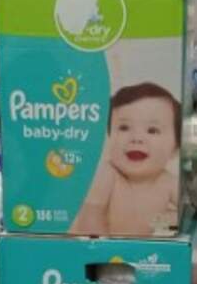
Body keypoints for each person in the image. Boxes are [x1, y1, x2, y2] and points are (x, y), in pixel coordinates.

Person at [70, 83, 180, 236]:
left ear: (175, 149)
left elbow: (192, 214)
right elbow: (90, 216)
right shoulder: (108, 174)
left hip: (140, 248)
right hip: (101, 246)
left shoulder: (168, 183)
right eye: (124, 128)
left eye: (152, 130)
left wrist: (170, 220)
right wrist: (102, 247)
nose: (136, 138)